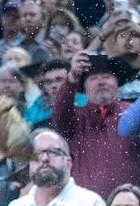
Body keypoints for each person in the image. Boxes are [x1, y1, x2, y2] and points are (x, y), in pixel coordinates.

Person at [52, 51, 140, 197]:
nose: (101, 82)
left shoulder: (133, 114)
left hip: (126, 205)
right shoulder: (75, 118)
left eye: (107, 77)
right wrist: (72, 77)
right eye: (93, 78)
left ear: (117, 83)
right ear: (84, 88)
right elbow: (60, 112)